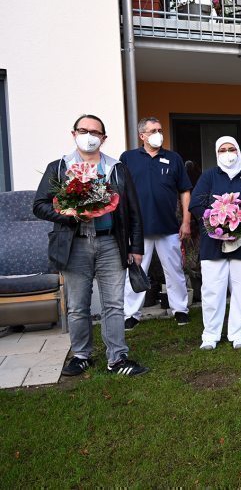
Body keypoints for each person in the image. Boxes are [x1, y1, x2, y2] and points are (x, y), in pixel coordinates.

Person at [32, 114, 149, 376]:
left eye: (95, 132)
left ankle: (117, 358)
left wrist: (136, 248)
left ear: (104, 138)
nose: (89, 136)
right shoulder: (59, 168)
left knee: (114, 305)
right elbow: (39, 205)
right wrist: (67, 214)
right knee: (77, 305)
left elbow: (133, 212)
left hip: (111, 243)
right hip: (75, 244)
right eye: (83, 130)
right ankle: (81, 355)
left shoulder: (116, 168)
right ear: (73, 134)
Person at [189, 136, 241, 350]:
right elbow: (196, 204)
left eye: (231, 148)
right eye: (223, 149)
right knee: (213, 289)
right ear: (217, 153)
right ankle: (210, 335)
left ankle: (238, 332)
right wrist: (216, 222)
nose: (227, 153)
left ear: (239, 151)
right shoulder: (208, 176)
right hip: (212, 244)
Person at [120, 117, 193, 330]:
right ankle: (131, 314)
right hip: (137, 228)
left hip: (168, 226)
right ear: (142, 135)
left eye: (160, 129)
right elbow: (120, 191)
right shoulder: (128, 158)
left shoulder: (173, 158)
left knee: (174, 270)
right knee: (135, 271)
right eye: (153, 130)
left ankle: (180, 310)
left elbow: (185, 191)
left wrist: (186, 221)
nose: (158, 133)